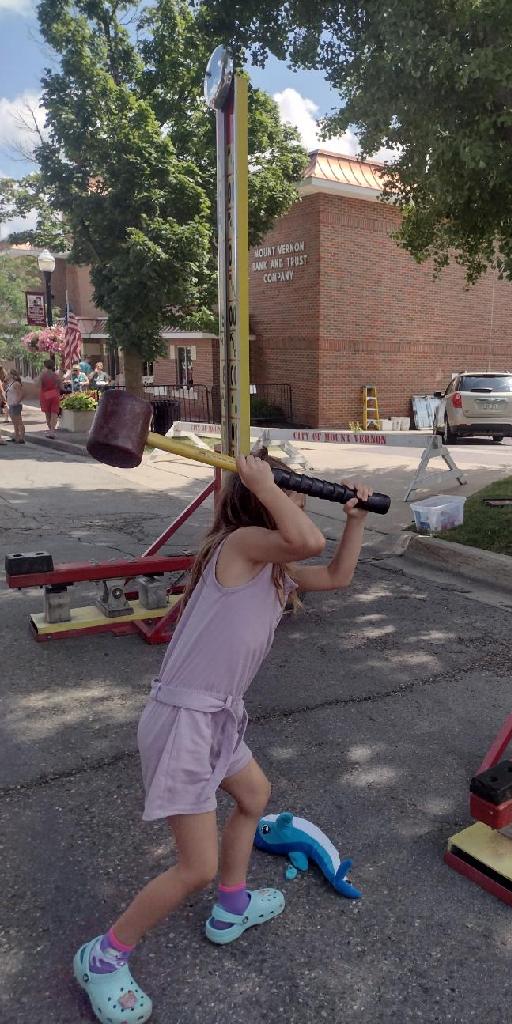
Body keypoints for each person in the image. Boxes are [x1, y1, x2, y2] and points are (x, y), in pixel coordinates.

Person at [73, 449, 373, 1024]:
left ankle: (232, 906)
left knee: (254, 796)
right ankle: (103, 957)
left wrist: (355, 521)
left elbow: (337, 575)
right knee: (195, 868)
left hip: (216, 717)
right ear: (260, 499)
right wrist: (267, 485)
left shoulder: (275, 570)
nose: (299, 499)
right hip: (184, 721)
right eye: (291, 491)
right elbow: (309, 540)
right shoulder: (239, 547)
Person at [37, 359, 63, 438]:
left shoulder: (43, 375)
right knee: (54, 413)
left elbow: (38, 385)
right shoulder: (56, 375)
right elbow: (61, 387)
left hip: (46, 395)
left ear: (45, 366)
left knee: (48, 414)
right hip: (55, 394)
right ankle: (52, 431)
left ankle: (50, 431)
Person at [6, 370, 25, 444]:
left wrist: (17, 401)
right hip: (11, 404)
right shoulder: (10, 383)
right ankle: (16, 437)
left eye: (8, 374)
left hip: (16, 405)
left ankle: (22, 438)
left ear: (12, 375)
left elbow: (21, 394)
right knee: (14, 422)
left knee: (19, 421)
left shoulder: (16, 383)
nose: (7, 375)